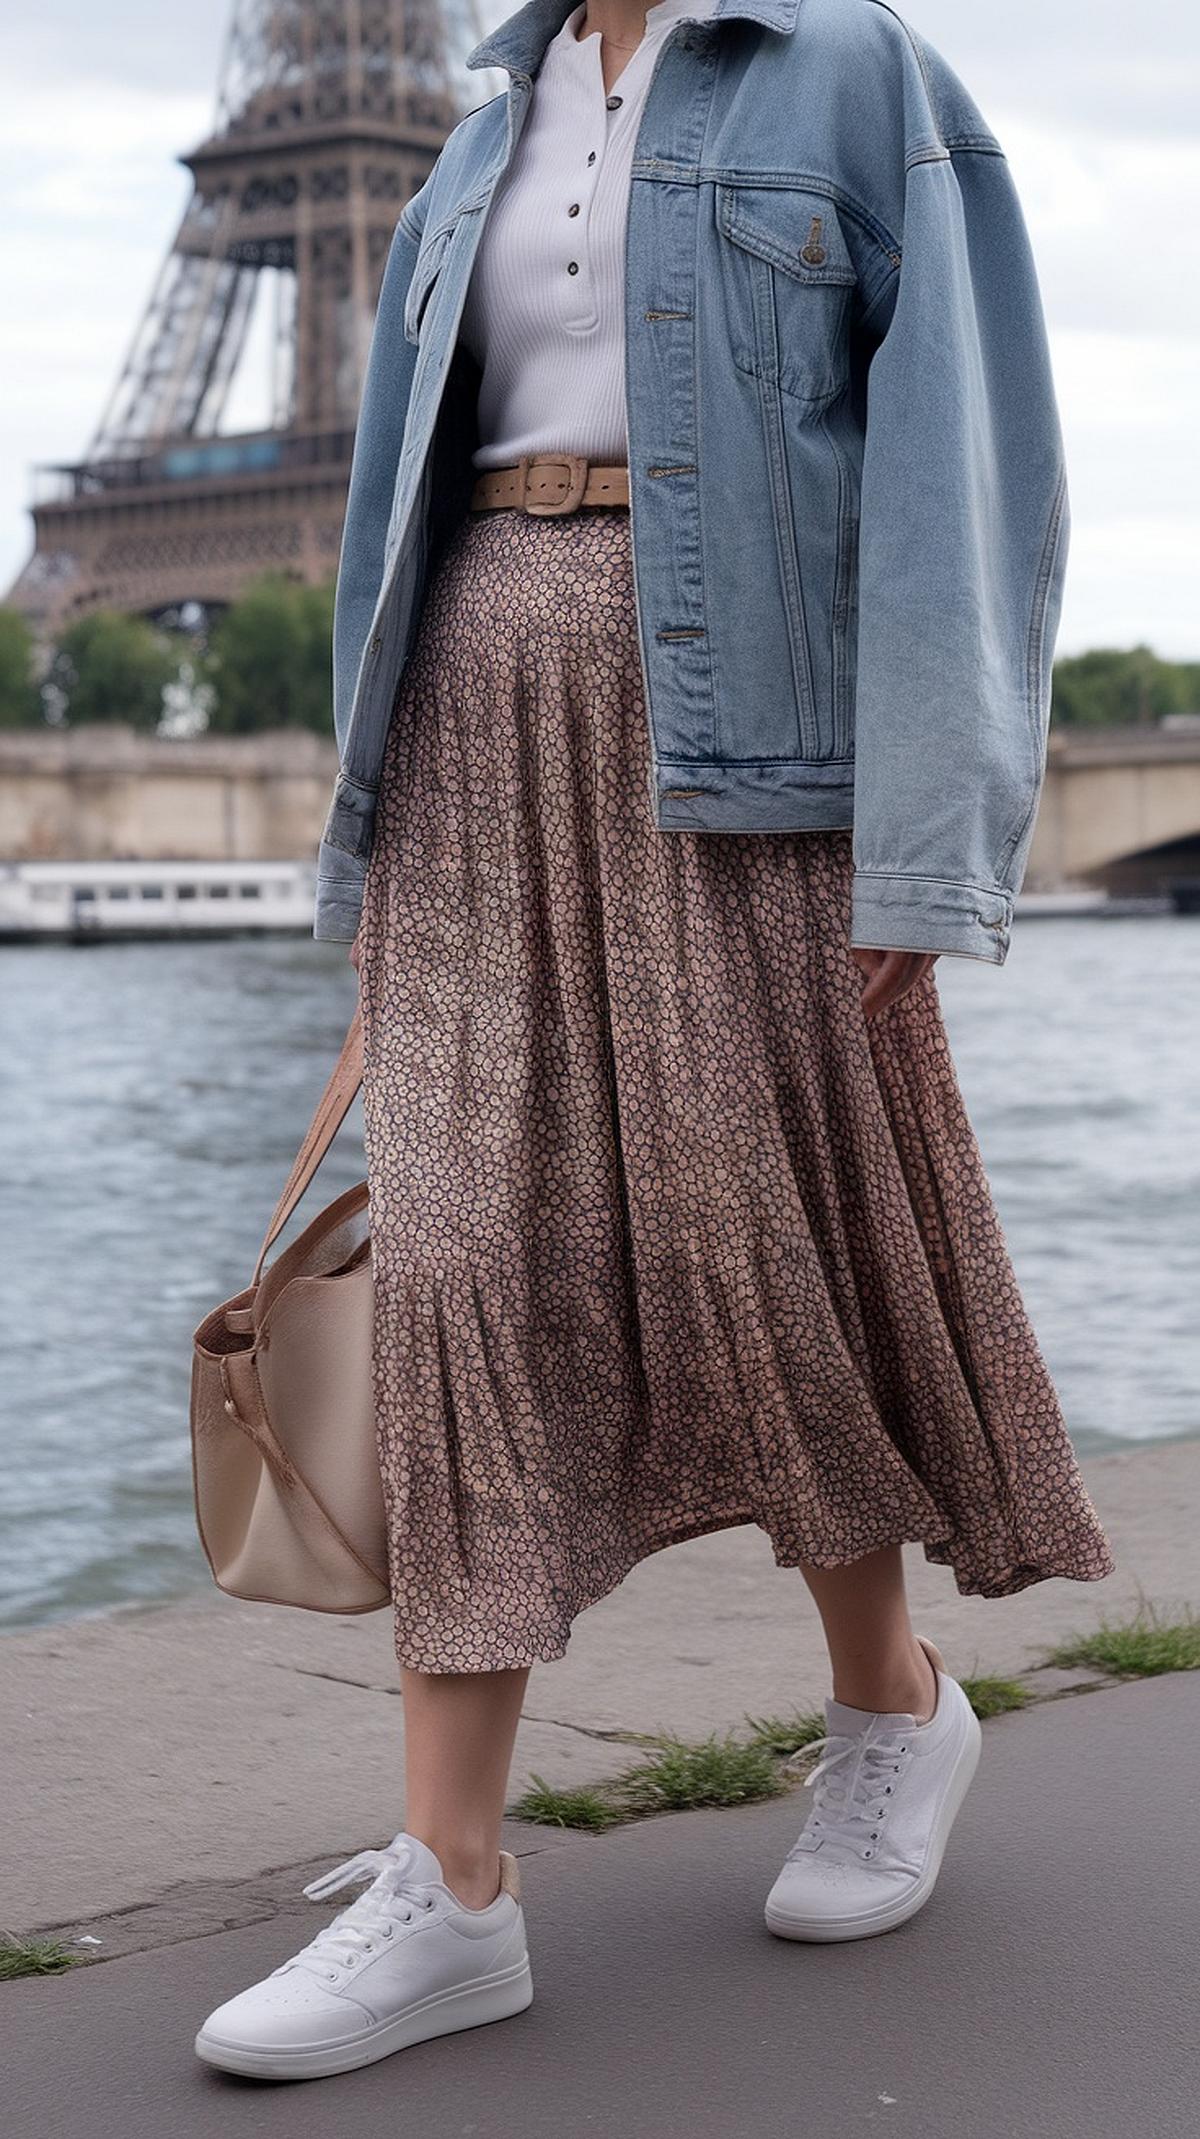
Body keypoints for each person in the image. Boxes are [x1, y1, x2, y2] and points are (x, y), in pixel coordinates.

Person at [195, 0, 1114, 2081]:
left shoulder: (864, 81)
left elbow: (974, 456)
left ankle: (890, 1708)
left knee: (757, 1254)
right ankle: (453, 1878)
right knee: (456, 1272)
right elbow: (383, 523)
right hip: (471, 733)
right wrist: (373, 850)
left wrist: (928, 838)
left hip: (750, 756)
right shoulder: (473, 122)